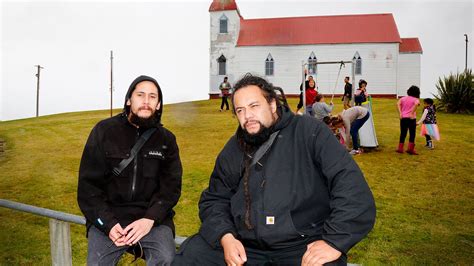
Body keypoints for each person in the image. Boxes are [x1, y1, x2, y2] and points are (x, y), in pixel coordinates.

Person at [173, 74, 376, 266]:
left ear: (272, 104)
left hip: (301, 245)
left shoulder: (310, 132)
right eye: (240, 110)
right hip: (245, 245)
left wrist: (334, 241)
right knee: (192, 254)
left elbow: (350, 188)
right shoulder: (234, 147)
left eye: (254, 106)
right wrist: (226, 237)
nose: (247, 116)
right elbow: (214, 198)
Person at [78, 75, 183, 265]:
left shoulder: (167, 139)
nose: (146, 101)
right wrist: (107, 224)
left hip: (151, 220)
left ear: (158, 104)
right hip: (110, 217)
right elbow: (88, 189)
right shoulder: (104, 131)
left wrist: (151, 218)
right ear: (128, 100)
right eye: (140, 95)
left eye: (152, 97)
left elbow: (171, 188)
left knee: (166, 259)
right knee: (97, 263)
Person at [396, 85, 421, 155]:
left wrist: (400, 113)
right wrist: (412, 113)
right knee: (412, 134)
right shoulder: (416, 99)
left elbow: (398, 104)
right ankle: (410, 149)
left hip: (403, 118)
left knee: (403, 133)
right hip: (411, 119)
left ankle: (400, 149)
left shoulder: (403, 98)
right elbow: (416, 104)